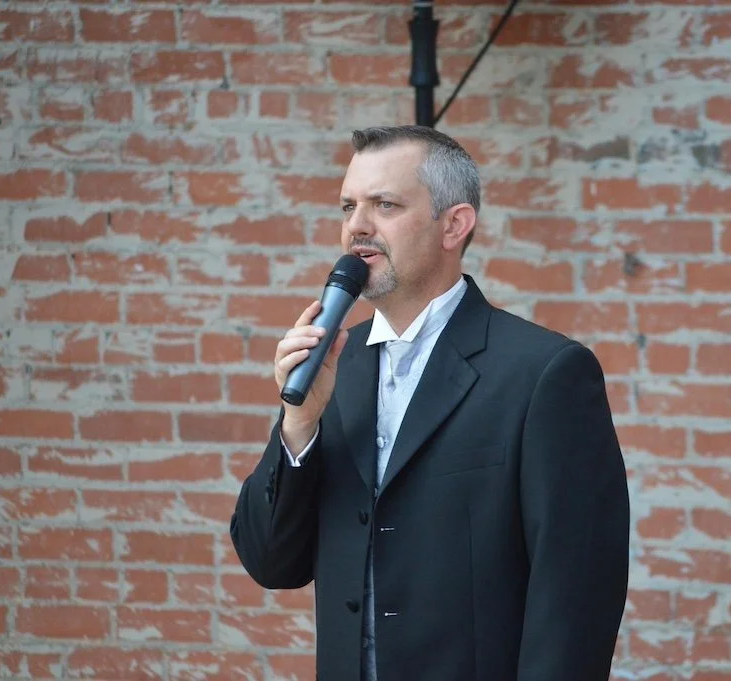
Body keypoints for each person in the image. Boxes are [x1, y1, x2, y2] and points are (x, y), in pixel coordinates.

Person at [230, 125, 629, 681]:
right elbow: (272, 562)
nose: (356, 227)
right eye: (348, 206)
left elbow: (577, 591)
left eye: (384, 205)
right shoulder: (334, 369)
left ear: (455, 224)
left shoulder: (543, 373)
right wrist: (298, 425)